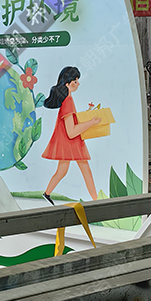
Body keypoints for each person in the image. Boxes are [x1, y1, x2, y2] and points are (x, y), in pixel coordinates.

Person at [41, 66, 101, 204]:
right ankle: (96, 200)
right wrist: (91, 123)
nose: (78, 83)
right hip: (70, 141)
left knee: (63, 170)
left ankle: (47, 194)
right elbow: (71, 131)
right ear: (67, 84)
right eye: (75, 81)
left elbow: (72, 122)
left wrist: (88, 113)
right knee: (83, 169)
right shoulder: (68, 101)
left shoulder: (68, 100)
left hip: (68, 141)